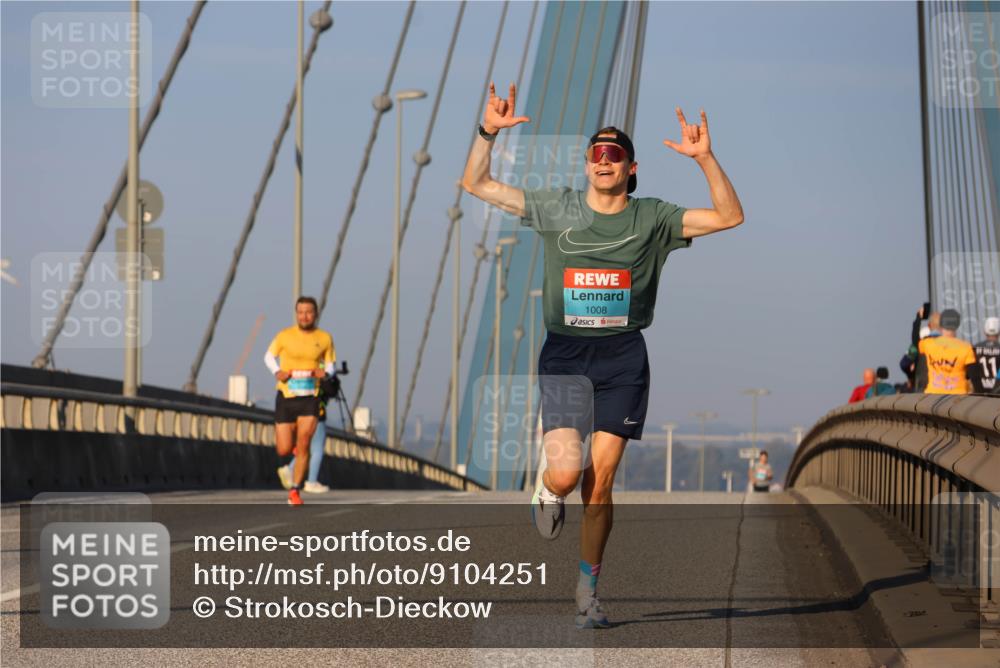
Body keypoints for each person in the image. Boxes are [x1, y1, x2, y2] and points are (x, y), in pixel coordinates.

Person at [461, 82, 744, 628]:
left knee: (604, 479)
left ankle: (588, 589)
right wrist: (487, 132)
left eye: (615, 154)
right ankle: (549, 486)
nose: (604, 160)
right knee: (569, 476)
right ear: (586, 164)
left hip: (622, 358)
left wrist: (705, 159)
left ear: (631, 169)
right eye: (596, 153)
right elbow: (475, 183)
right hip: (566, 355)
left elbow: (730, 216)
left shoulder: (653, 219)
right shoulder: (555, 207)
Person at [264, 296, 335, 506]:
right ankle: (294, 452)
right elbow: (268, 356)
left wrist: (324, 372)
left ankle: (295, 491)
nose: (305, 316)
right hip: (287, 396)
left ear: (315, 314)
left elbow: (331, 364)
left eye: (309, 312)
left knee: (305, 443)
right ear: (296, 314)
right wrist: (277, 372)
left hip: (310, 397)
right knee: (284, 449)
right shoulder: (285, 336)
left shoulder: (324, 338)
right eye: (301, 312)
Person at [277, 375, 337, 493]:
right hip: (316, 413)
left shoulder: (302, 371)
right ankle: (311, 481)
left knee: (306, 446)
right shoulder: (321, 372)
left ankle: (290, 468)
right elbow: (330, 390)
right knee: (317, 449)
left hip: (300, 410)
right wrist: (332, 379)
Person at [918, 308, 976, 395]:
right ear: (957, 325)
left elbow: (915, 341)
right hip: (958, 396)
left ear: (941, 324)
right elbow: (973, 375)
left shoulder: (927, 344)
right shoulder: (966, 347)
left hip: (933, 395)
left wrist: (918, 318)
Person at [972, 316, 1000, 394]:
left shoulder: (975, 348)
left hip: (980, 391)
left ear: (984, 331)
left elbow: (972, 372)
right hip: (998, 391)